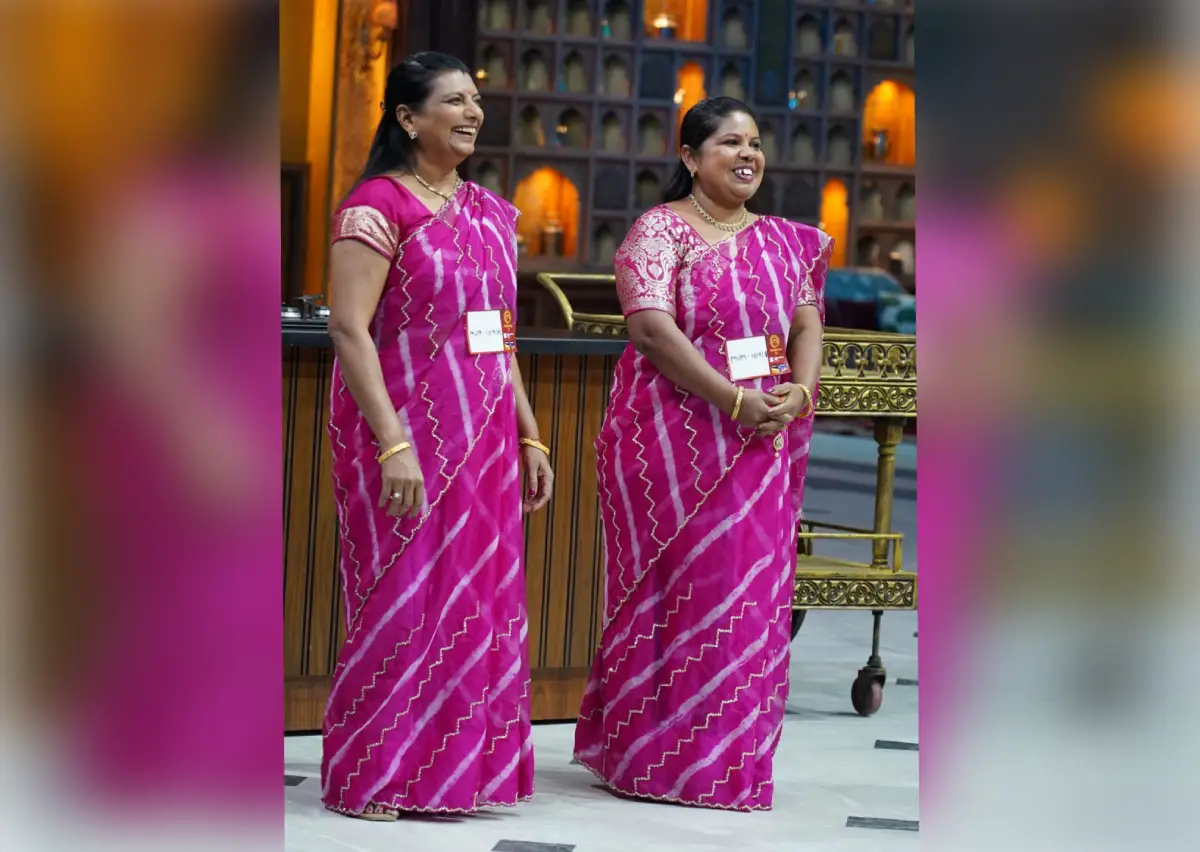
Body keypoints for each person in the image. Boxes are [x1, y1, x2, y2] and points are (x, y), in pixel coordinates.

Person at [573, 97, 832, 812]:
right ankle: (651, 761)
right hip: (672, 441)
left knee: (746, 598)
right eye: (728, 143)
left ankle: (728, 763)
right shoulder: (659, 232)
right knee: (681, 594)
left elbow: (807, 323)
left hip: (761, 441)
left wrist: (800, 391)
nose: (747, 155)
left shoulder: (787, 241)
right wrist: (732, 399)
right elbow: (651, 331)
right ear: (689, 156)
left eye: (754, 143)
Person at [321, 52, 553, 820]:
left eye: (475, 99)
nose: (472, 112)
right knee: (401, 597)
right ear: (408, 117)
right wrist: (393, 443)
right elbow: (348, 329)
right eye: (453, 100)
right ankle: (369, 775)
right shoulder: (376, 207)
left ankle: (453, 775)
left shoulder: (491, 212)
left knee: (473, 601)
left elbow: (499, 337)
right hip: (402, 438)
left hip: (484, 442)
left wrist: (530, 435)